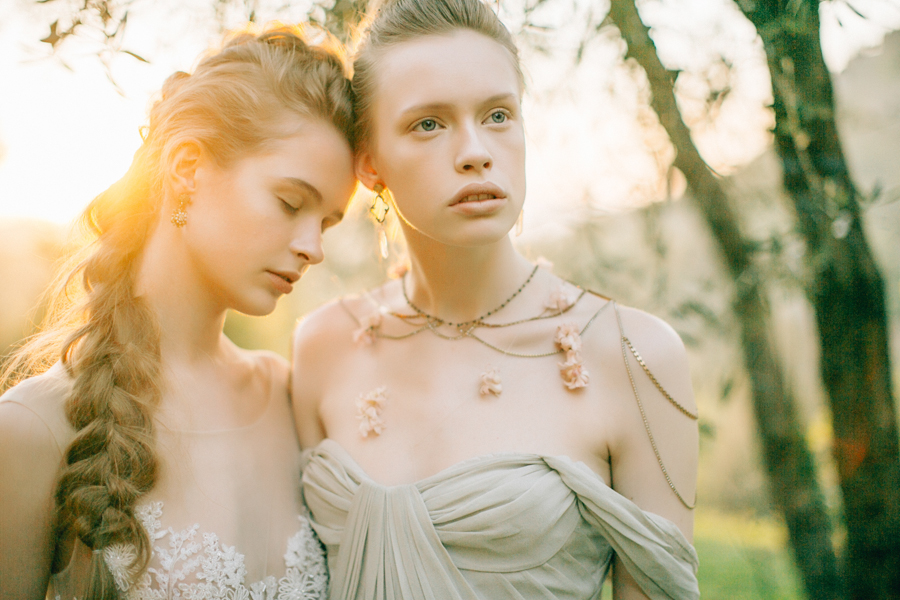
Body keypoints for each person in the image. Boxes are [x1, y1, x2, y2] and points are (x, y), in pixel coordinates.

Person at [291, 0, 700, 598]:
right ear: (370, 165)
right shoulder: (321, 345)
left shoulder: (635, 355)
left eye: (499, 114)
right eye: (428, 123)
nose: (475, 150)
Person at [0, 25, 357, 600]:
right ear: (187, 167)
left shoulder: (294, 402)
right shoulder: (33, 428)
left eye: (327, 223)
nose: (313, 247)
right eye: (291, 203)